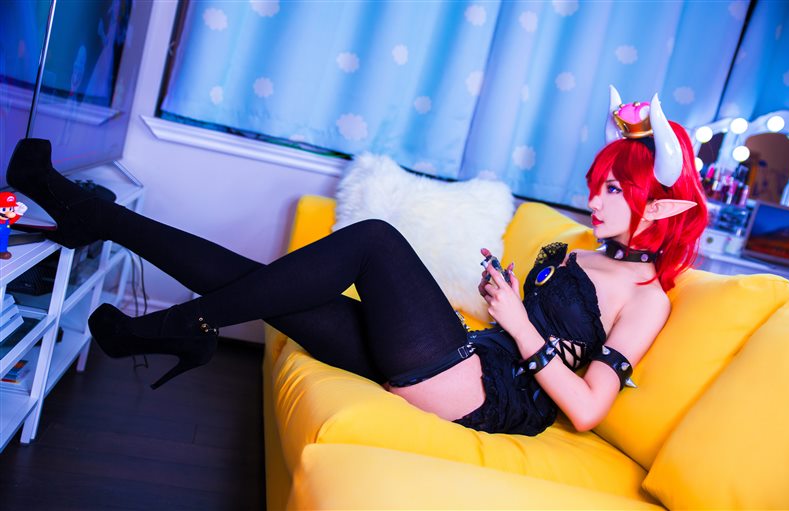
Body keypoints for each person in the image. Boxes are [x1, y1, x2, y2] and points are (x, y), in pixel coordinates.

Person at [6, 87, 707, 436]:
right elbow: (537, 329)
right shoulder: (585, 249)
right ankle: (94, 218)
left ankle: (183, 325)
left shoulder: (650, 298)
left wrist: (520, 324)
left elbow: (586, 409)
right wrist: (508, 299)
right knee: (255, 283)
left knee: (374, 238)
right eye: (599, 183)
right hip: (467, 357)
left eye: (614, 190)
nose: (594, 196)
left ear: (661, 207)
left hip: (488, 394)